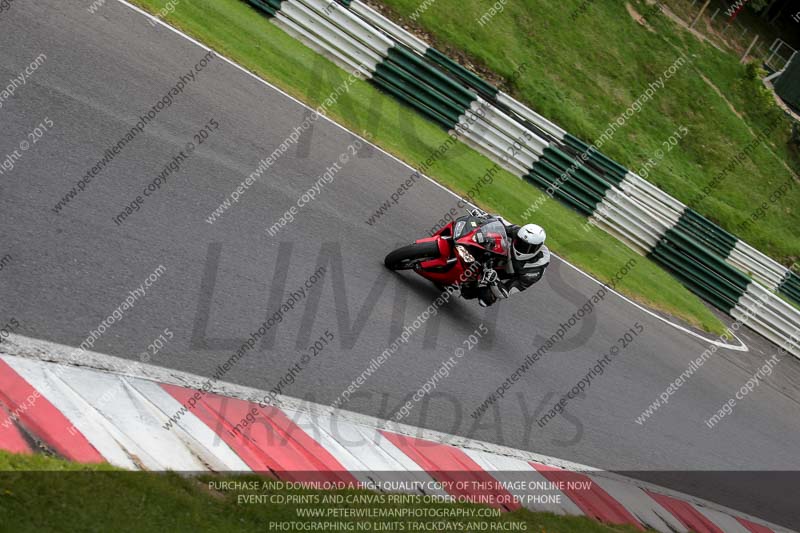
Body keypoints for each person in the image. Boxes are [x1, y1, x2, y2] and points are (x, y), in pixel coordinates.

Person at [461, 219, 550, 307]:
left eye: (527, 247)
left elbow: (506, 292)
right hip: (503, 254)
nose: (521, 247)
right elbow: (500, 222)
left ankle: (473, 284)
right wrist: (484, 218)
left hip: (507, 272)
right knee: (484, 237)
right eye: (519, 243)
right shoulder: (519, 233)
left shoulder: (534, 271)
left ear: (537, 248)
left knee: (484, 296)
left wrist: (494, 280)